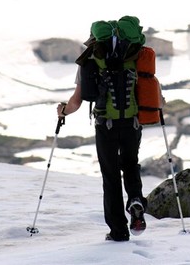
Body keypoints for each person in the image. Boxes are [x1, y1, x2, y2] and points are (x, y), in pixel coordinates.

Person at [57, 17, 148, 242]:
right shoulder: (136, 54)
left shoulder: (90, 59)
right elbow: (151, 90)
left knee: (110, 176)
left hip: (105, 125)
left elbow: (77, 102)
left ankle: (118, 231)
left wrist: (63, 112)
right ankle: (135, 199)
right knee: (130, 164)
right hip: (132, 123)